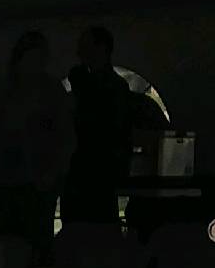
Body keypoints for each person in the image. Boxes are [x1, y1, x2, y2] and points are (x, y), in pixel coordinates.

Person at [0, 29, 71, 261]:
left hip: (39, 179)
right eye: (31, 57)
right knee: (5, 241)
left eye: (40, 57)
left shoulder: (52, 90)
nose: (36, 63)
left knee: (37, 240)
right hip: (5, 178)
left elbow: (65, 136)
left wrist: (54, 172)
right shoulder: (3, 89)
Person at [63, 24, 156, 226]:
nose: (79, 52)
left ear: (101, 49)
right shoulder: (114, 87)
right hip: (98, 172)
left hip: (92, 172)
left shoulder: (101, 87)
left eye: (85, 46)